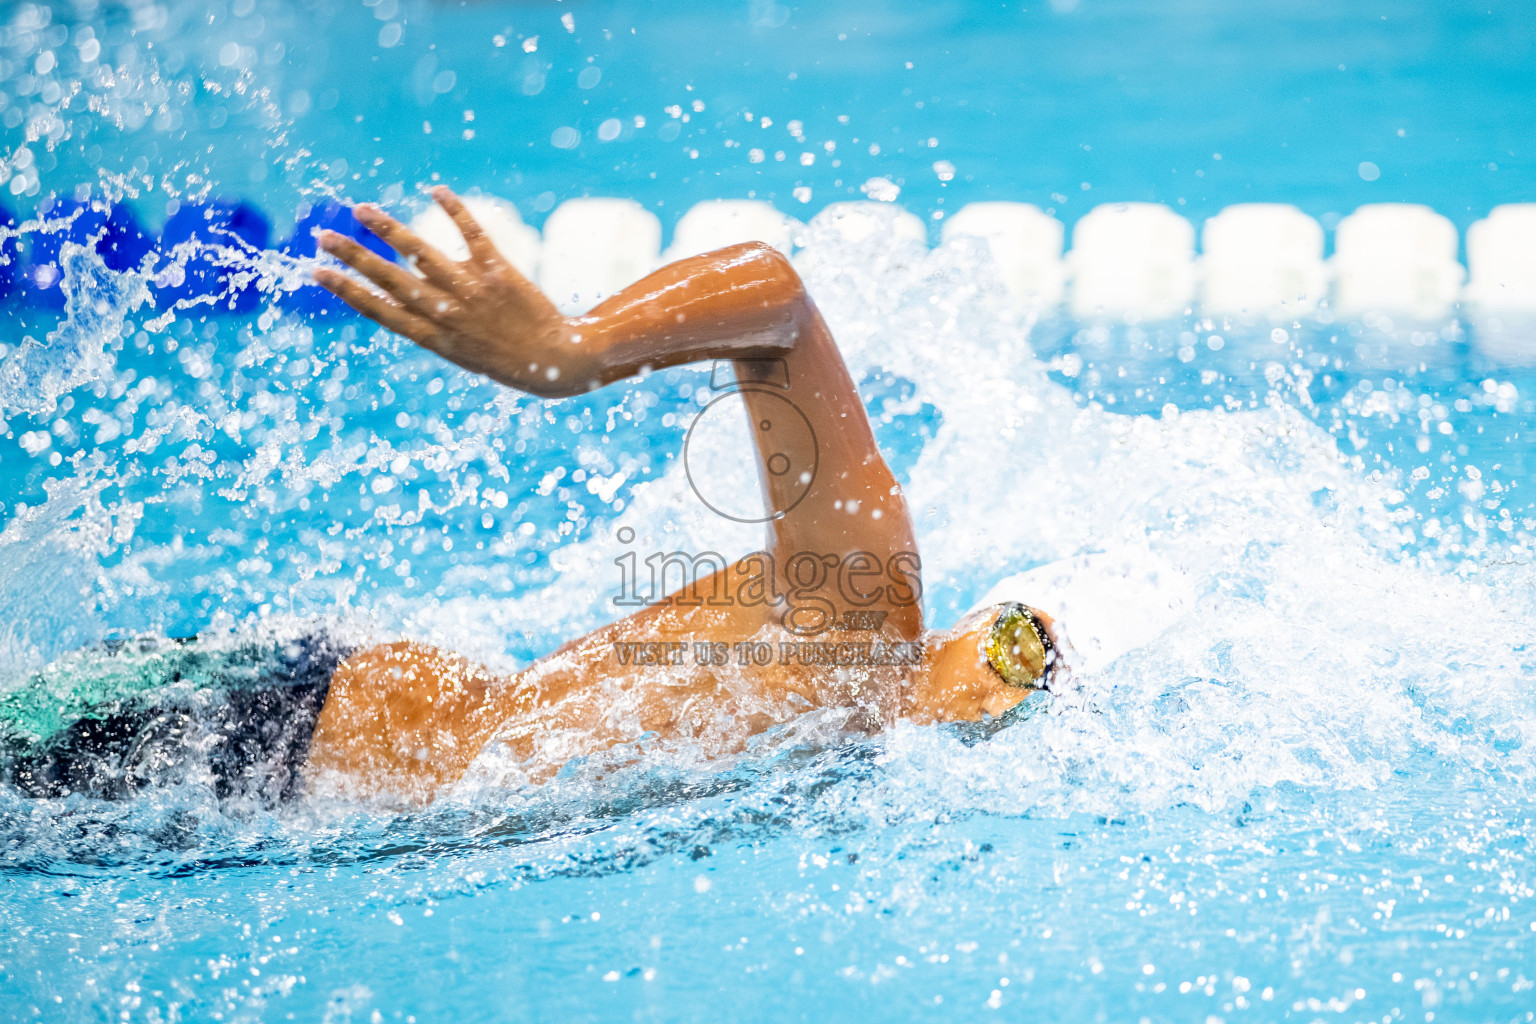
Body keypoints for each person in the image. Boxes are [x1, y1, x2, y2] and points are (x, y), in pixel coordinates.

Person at [4, 187, 1065, 808]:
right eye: (1020, 638)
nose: (1009, 670)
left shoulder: (830, 732)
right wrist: (572, 348)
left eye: (1030, 664)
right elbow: (774, 293)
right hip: (277, 743)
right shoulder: (861, 630)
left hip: (301, 739)